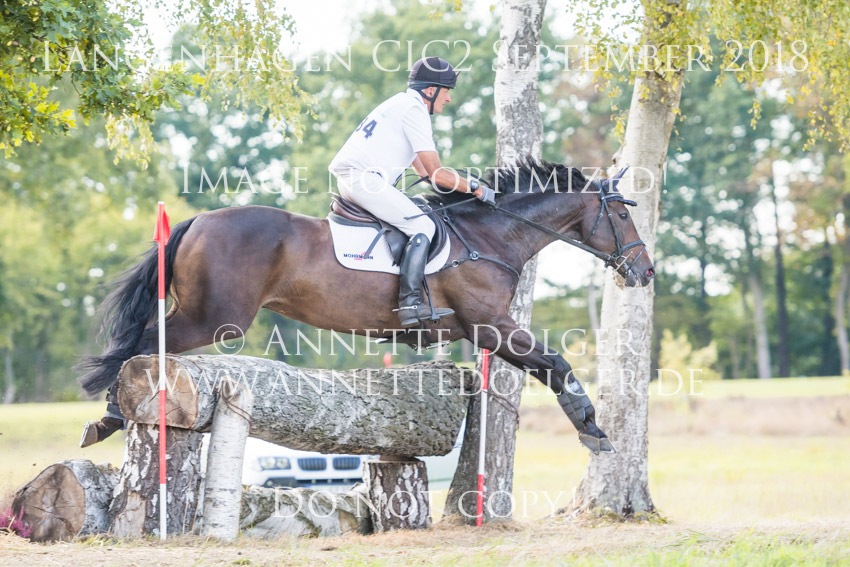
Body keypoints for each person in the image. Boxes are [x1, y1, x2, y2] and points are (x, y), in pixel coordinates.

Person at [329, 56, 494, 327]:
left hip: (355, 180)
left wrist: (459, 189)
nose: (449, 99)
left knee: (417, 213)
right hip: (364, 180)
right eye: (447, 91)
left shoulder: (400, 103)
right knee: (424, 227)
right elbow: (437, 172)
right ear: (430, 90)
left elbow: (425, 174)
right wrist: (476, 188)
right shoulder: (414, 110)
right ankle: (410, 304)